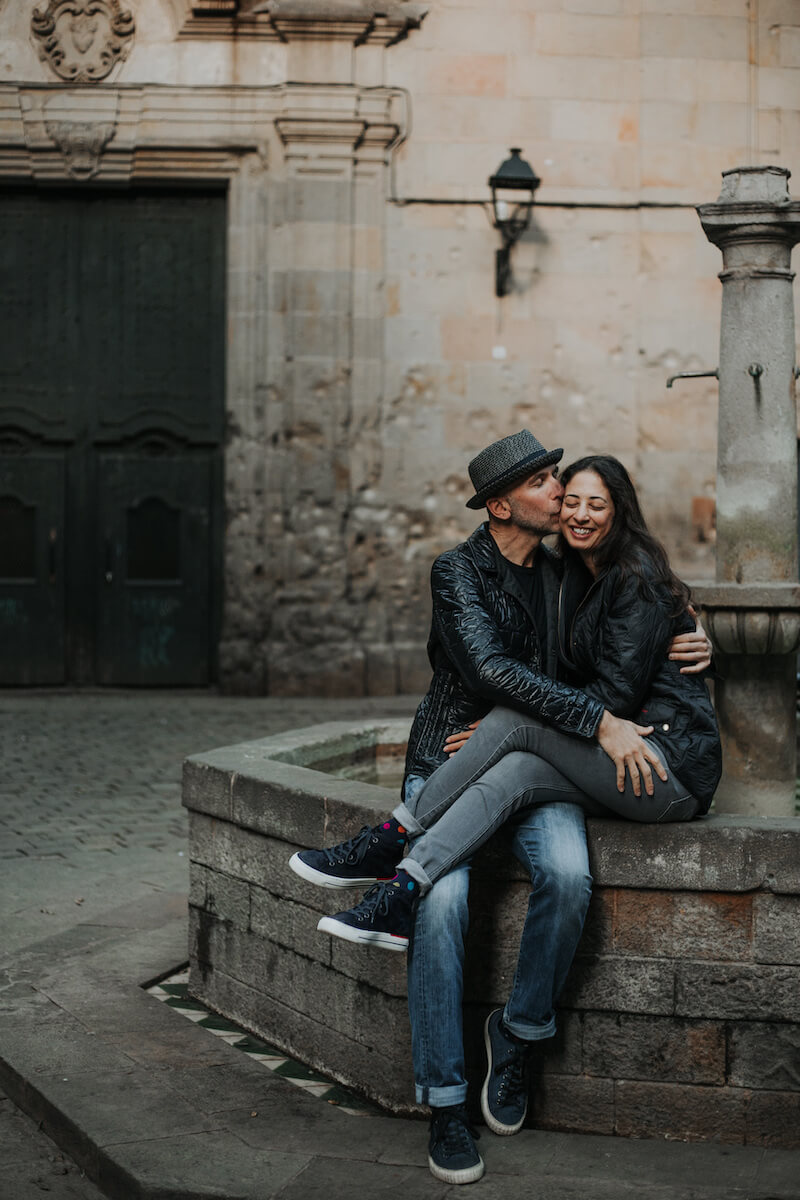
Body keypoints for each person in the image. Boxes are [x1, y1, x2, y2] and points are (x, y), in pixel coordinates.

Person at [289, 432, 712, 1185]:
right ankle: (447, 1101)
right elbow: (486, 666)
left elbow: (639, 607)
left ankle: (515, 1040)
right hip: (450, 766)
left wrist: (697, 632)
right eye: (550, 483)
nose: (562, 495)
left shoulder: (562, 570)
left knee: (569, 878)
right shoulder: (458, 570)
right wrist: (593, 721)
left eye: (566, 483)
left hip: (538, 767)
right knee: (443, 903)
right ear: (502, 503)